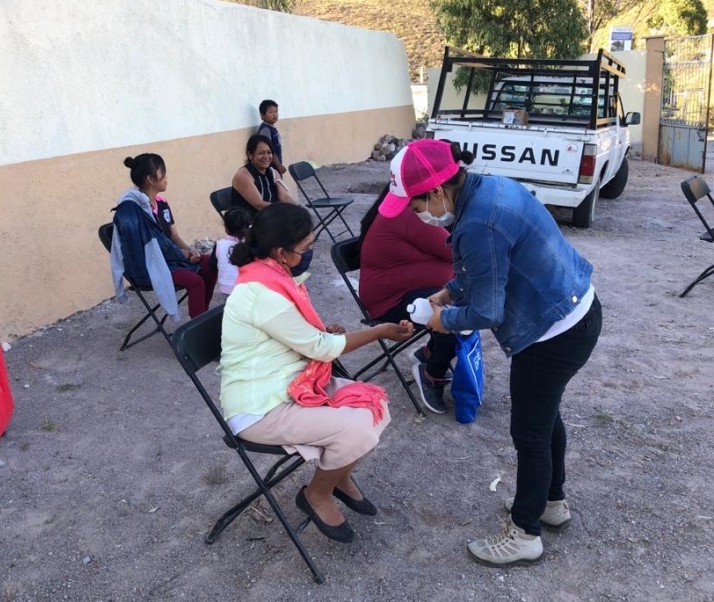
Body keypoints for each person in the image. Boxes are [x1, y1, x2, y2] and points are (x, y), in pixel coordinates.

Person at [379, 140, 602, 567]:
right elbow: (486, 269)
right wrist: (449, 292)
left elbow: (487, 311)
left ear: (437, 190)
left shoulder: (478, 222)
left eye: (415, 205)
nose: (416, 214)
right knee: (544, 418)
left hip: (553, 334)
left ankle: (525, 533)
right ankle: (551, 503)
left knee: (530, 433)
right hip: (575, 312)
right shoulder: (488, 189)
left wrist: (443, 320)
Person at [220, 203, 415, 543]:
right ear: (281, 252)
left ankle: (337, 475)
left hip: (291, 382)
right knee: (357, 426)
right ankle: (317, 494)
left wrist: (323, 333)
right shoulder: (261, 291)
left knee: (376, 405)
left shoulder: (272, 275)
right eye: (306, 247)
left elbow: (300, 337)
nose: (310, 252)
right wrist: (379, 331)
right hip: (259, 407)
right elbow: (321, 348)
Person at [358, 183, 457, 414]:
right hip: (389, 302)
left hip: (406, 291)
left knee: (461, 301)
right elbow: (452, 250)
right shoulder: (408, 213)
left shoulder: (404, 209)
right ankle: (432, 374)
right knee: (455, 317)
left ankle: (429, 353)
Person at [111, 154, 217, 319]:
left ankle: (202, 315)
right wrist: (180, 254)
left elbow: (174, 236)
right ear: (150, 179)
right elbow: (142, 250)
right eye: (163, 173)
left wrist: (190, 251)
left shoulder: (161, 203)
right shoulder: (132, 210)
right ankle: (199, 324)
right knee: (196, 282)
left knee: (211, 264)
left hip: (171, 257)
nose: (167, 177)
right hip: (150, 265)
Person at [230, 135, 296, 218]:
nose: (266, 157)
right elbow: (259, 204)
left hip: (271, 216)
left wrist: (296, 210)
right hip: (249, 221)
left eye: (269, 153)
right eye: (261, 153)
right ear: (250, 155)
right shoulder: (243, 175)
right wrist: (284, 212)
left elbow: (284, 197)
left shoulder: (273, 172)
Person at [213, 207, 250, 295]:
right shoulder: (249, 245)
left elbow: (212, 266)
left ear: (226, 227)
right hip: (245, 287)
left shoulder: (220, 245)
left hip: (226, 287)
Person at [257, 99, 287, 176]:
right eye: (270, 112)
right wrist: (278, 165)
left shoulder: (271, 128)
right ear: (262, 115)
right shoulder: (265, 130)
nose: (274, 114)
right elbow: (268, 150)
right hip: (270, 167)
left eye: (276, 111)